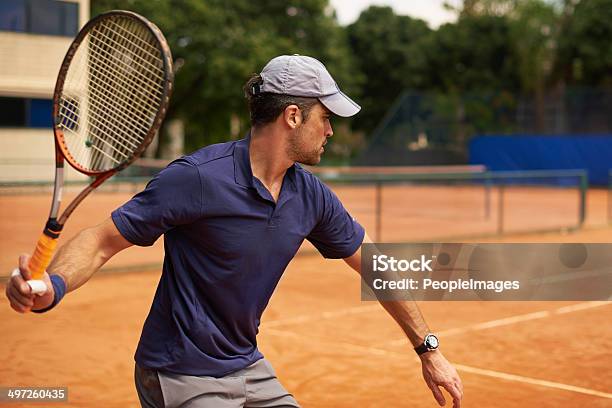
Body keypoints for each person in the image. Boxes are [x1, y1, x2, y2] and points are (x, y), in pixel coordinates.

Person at [6, 55, 463, 408]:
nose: (331, 131)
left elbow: (374, 264)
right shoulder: (199, 177)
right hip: (179, 369)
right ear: (292, 116)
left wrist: (428, 348)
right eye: (326, 118)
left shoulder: (311, 196)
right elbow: (102, 240)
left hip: (245, 363)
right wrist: (54, 284)